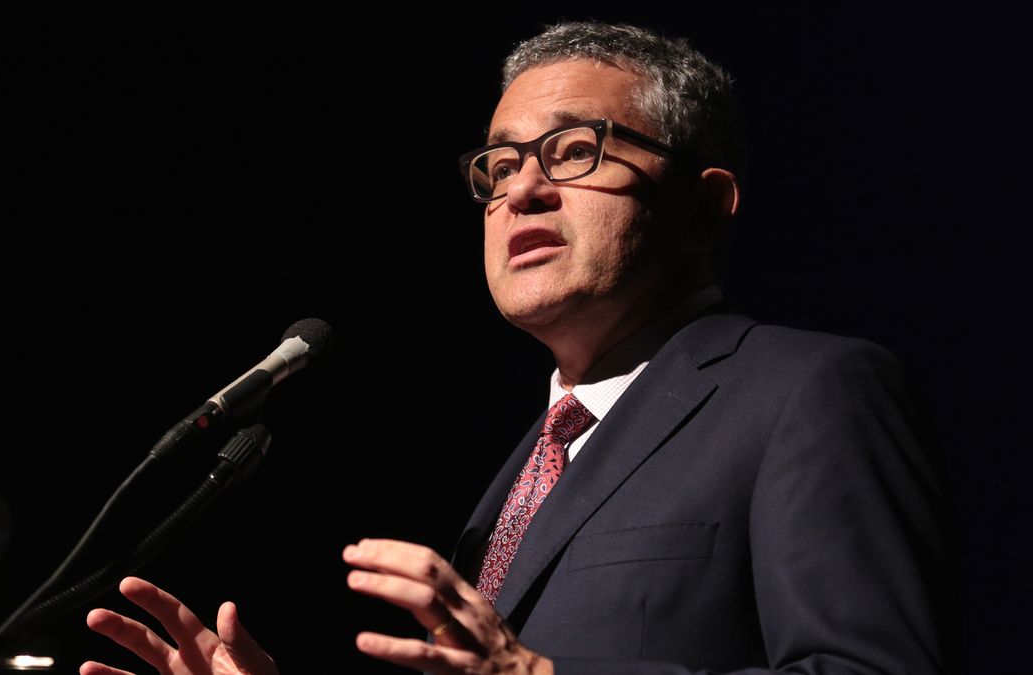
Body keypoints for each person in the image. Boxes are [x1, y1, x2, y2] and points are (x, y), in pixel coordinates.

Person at [80, 21, 956, 674]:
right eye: (498, 169)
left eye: (573, 151)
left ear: (705, 205)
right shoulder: (526, 470)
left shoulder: (809, 392)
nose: (523, 189)